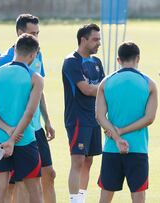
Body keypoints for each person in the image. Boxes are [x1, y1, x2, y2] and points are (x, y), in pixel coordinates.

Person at [0, 14, 56, 203]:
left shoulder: (37, 55)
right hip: (16, 131)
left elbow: (39, 92)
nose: (36, 37)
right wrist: (9, 131)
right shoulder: (4, 62)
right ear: (20, 33)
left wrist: (47, 120)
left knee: (49, 175)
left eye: (38, 33)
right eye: (32, 33)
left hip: (35, 128)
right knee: (15, 183)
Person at [0, 33, 44, 203]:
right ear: (34, 54)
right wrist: (14, 137)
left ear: (15, 49)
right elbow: (30, 112)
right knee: (35, 191)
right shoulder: (35, 78)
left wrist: (8, 132)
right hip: (25, 139)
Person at [96, 42, 157, 203]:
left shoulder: (105, 82)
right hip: (138, 149)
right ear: (138, 58)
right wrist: (122, 131)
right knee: (138, 197)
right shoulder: (149, 84)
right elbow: (149, 118)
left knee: (105, 197)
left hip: (112, 148)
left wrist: (116, 137)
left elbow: (100, 116)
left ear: (118, 59)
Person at [61, 23, 105, 203]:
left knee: (89, 161)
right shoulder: (72, 61)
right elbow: (86, 89)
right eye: (95, 40)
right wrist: (106, 89)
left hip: (94, 118)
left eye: (99, 39)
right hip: (78, 118)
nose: (99, 43)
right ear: (83, 40)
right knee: (78, 160)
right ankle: (74, 200)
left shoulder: (96, 62)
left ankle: (82, 198)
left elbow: (102, 90)